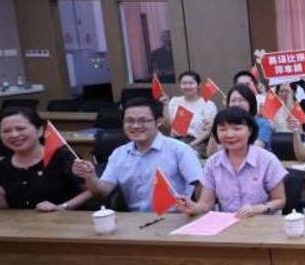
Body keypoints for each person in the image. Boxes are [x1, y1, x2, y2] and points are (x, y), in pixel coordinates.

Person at [72, 98, 202, 211]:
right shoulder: (119, 154)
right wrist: (91, 177)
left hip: (176, 218)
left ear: (159, 122)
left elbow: (201, 185)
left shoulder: (179, 150)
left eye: (143, 120)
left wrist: (199, 210)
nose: (135, 126)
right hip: (136, 221)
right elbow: (102, 191)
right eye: (129, 121)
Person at [175, 107, 287, 217]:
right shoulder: (212, 163)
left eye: (237, 129)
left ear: (250, 130)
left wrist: (262, 208)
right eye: (223, 129)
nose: (229, 135)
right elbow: (206, 204)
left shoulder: (267, 160)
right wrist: (193, 207)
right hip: (228, 223)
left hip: (263, 222)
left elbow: (280, 200)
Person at [0, 107, 91, 212]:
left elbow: (91, 191)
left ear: (39, 130)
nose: (14, 135)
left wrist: (63, 207)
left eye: (20, 129)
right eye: (6, 131)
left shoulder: (64, 157)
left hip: (67, 221)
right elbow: (6, 209)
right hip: (21, 224)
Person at [206, 85, 272, 155]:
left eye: (241, 100)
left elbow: (254, 152)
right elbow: (212, 155)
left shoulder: (262, 123)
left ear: (250, 103)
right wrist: (213, 132)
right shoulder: (226, 124)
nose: (237, 104)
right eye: (233, 101)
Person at [163, 70, 217, 149]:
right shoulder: (175, 101)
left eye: (191, 83)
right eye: (184, 83)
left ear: (199, 85)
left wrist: (190, 145)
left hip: (198, 143)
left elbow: (208, 131)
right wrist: (165, 105)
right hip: (175, 141)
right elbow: (167, 125)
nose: (187, 86)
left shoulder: (208, 104)